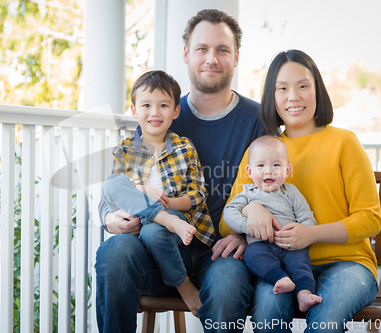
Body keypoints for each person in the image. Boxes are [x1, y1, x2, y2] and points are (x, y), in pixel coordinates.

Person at [96, 9, 263, 333]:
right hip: (157, 249)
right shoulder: (162, 114)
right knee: (115, 252)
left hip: (220, 251)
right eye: (202, 49)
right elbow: (117, 183)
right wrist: (109, 218)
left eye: (222, 50)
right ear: (186, 54)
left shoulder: (255, 120)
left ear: (236, 57)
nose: (211, 58)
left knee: (229, 287)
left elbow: (276, 185)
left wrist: (246, 234)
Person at [220, 49, 381, 332]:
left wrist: (310, 234)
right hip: (282, 267)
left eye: (303, 86)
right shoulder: (262, 151)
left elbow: (370, 218)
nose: (293, 97)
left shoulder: (344, 142)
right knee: (268, 316)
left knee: (325, 324)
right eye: (282, 88)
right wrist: (251, 208)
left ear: (317, 90)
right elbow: (226, 224)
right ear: (272, 96)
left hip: (347, 264)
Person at [102, 70, 216, 316]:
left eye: (163, 105)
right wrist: (142, 191)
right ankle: (162, 218)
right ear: (134, 110)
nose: (154, 112)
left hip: (174, 220)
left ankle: (184, 286)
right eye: (146, 105)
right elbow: (116, 193)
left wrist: (170, 203)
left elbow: (198, 194)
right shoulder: (124, 150)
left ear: (175, 111)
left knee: (155, 230)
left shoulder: (184, 147)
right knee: (111, 182)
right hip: (139, 218)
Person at [223, 135, 322, 313]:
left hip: (290, 245)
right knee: (253, 254)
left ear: (287, 170)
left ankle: (304, 294)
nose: (268, 171)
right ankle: (280, 278)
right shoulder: (247, 194)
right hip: (261, 245)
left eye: (276, 165)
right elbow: (229, 213)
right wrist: (248, 227)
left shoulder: (291, 192)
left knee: (302, 264)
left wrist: (302, 233)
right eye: (261, 165)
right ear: (250, 171)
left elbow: (307, 217)